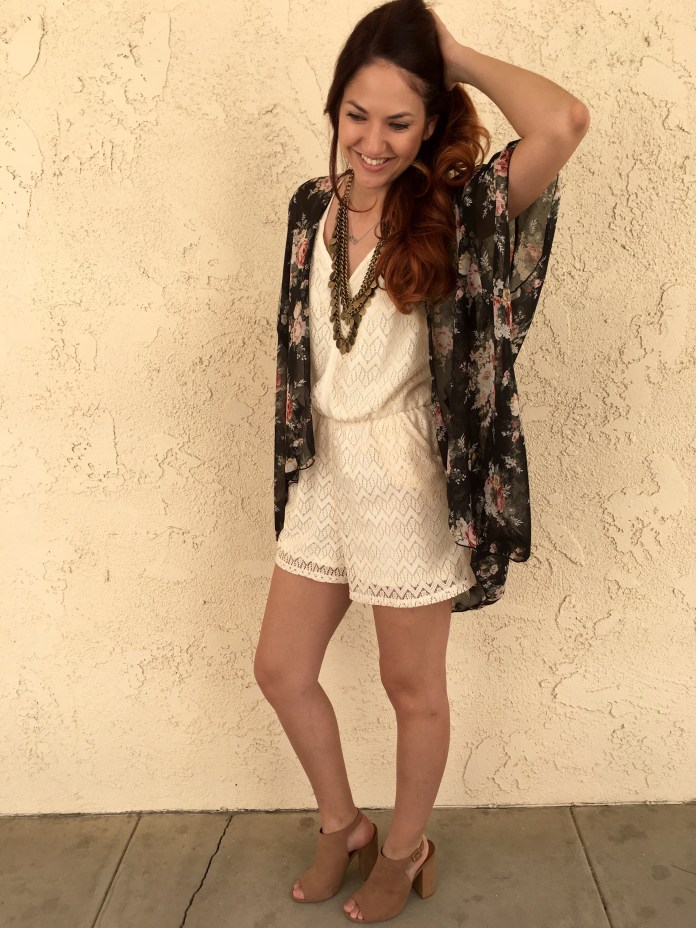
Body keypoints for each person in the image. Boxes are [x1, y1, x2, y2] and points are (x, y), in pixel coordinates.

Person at [254, 0, 589, 922]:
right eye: (356, 115)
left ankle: (406, 849)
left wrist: (457, 56)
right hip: (326, 468)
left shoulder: (458, 209)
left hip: (405, 480)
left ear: (432, 120)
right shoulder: (310, 208)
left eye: (400, 122)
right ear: (335, 106)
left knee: (411, 688)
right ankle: (343, 824)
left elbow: (563, 122)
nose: (373, 141)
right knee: (281, 668)